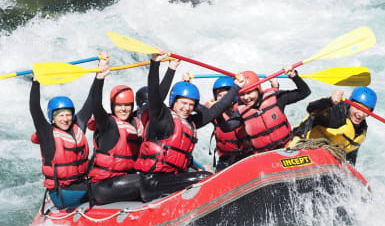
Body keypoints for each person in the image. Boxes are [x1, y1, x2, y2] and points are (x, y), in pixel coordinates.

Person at [134, 47, 246, 201]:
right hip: (152, 182)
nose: (187, 108)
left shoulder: (190, 123)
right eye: (183, 103)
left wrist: (236, 87)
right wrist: (159, 65)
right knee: (204, 177)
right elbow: (155, 94)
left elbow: (216, 110)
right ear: (174, 102)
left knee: (207, 174)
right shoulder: (162, 118)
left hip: (174, 179)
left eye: (191, 104)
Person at [87, 53, 184, 205]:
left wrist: (171, 68)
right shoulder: (107, 124)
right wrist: (99, 78)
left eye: (127, 106)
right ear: (112, 106)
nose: (123, 109)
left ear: (132, 106)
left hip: (126, 180)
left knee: (156, 176)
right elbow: (95, 104)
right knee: (147, 181)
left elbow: (157, 99)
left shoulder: (137, 123)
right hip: (104, 186)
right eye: (119, 106)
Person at [29, 56, 99, 208]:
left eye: (68, 114)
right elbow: (35, 109)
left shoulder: (78, 125)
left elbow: (92, 101)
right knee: (106, 189)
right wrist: (36, 82)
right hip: (63, 193)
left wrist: (99, 76)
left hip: (81, 183)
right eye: (60, 115)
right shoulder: (47, 134)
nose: (65, 119)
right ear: (52, 118)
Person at [217, 67, 311, 155]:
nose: (246, 98)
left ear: (258, 89)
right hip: (264, 155)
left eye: (249, 92)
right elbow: (227, 128)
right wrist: (218, 112)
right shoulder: (242, 111)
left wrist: (293, 75)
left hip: (287, 148)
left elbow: (304, 92)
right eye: (242, 94)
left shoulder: (276, 98)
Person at [291, 86, 377, 165]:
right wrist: (329, 101)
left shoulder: (361, 130)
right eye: (357, 108)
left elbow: (350, 158)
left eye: (366, 111)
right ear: (350, 104)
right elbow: (311, 108)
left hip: (324, 161)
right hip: (300, 146)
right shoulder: (336, 112)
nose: (360, 114)